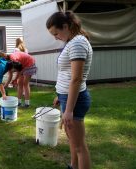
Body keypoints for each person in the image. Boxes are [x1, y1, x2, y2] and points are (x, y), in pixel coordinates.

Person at [47, 11, 93, 169]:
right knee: (73, 141)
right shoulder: (73, 42)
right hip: (67, 97)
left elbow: (76, 78)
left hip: (75, 100)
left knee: (79, 146)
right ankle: (73, 166)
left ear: (66, 26)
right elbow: (66, 74)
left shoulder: (78, 43)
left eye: (56, 33)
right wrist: (60, 94)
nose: (56, 37)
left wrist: (69, 110)